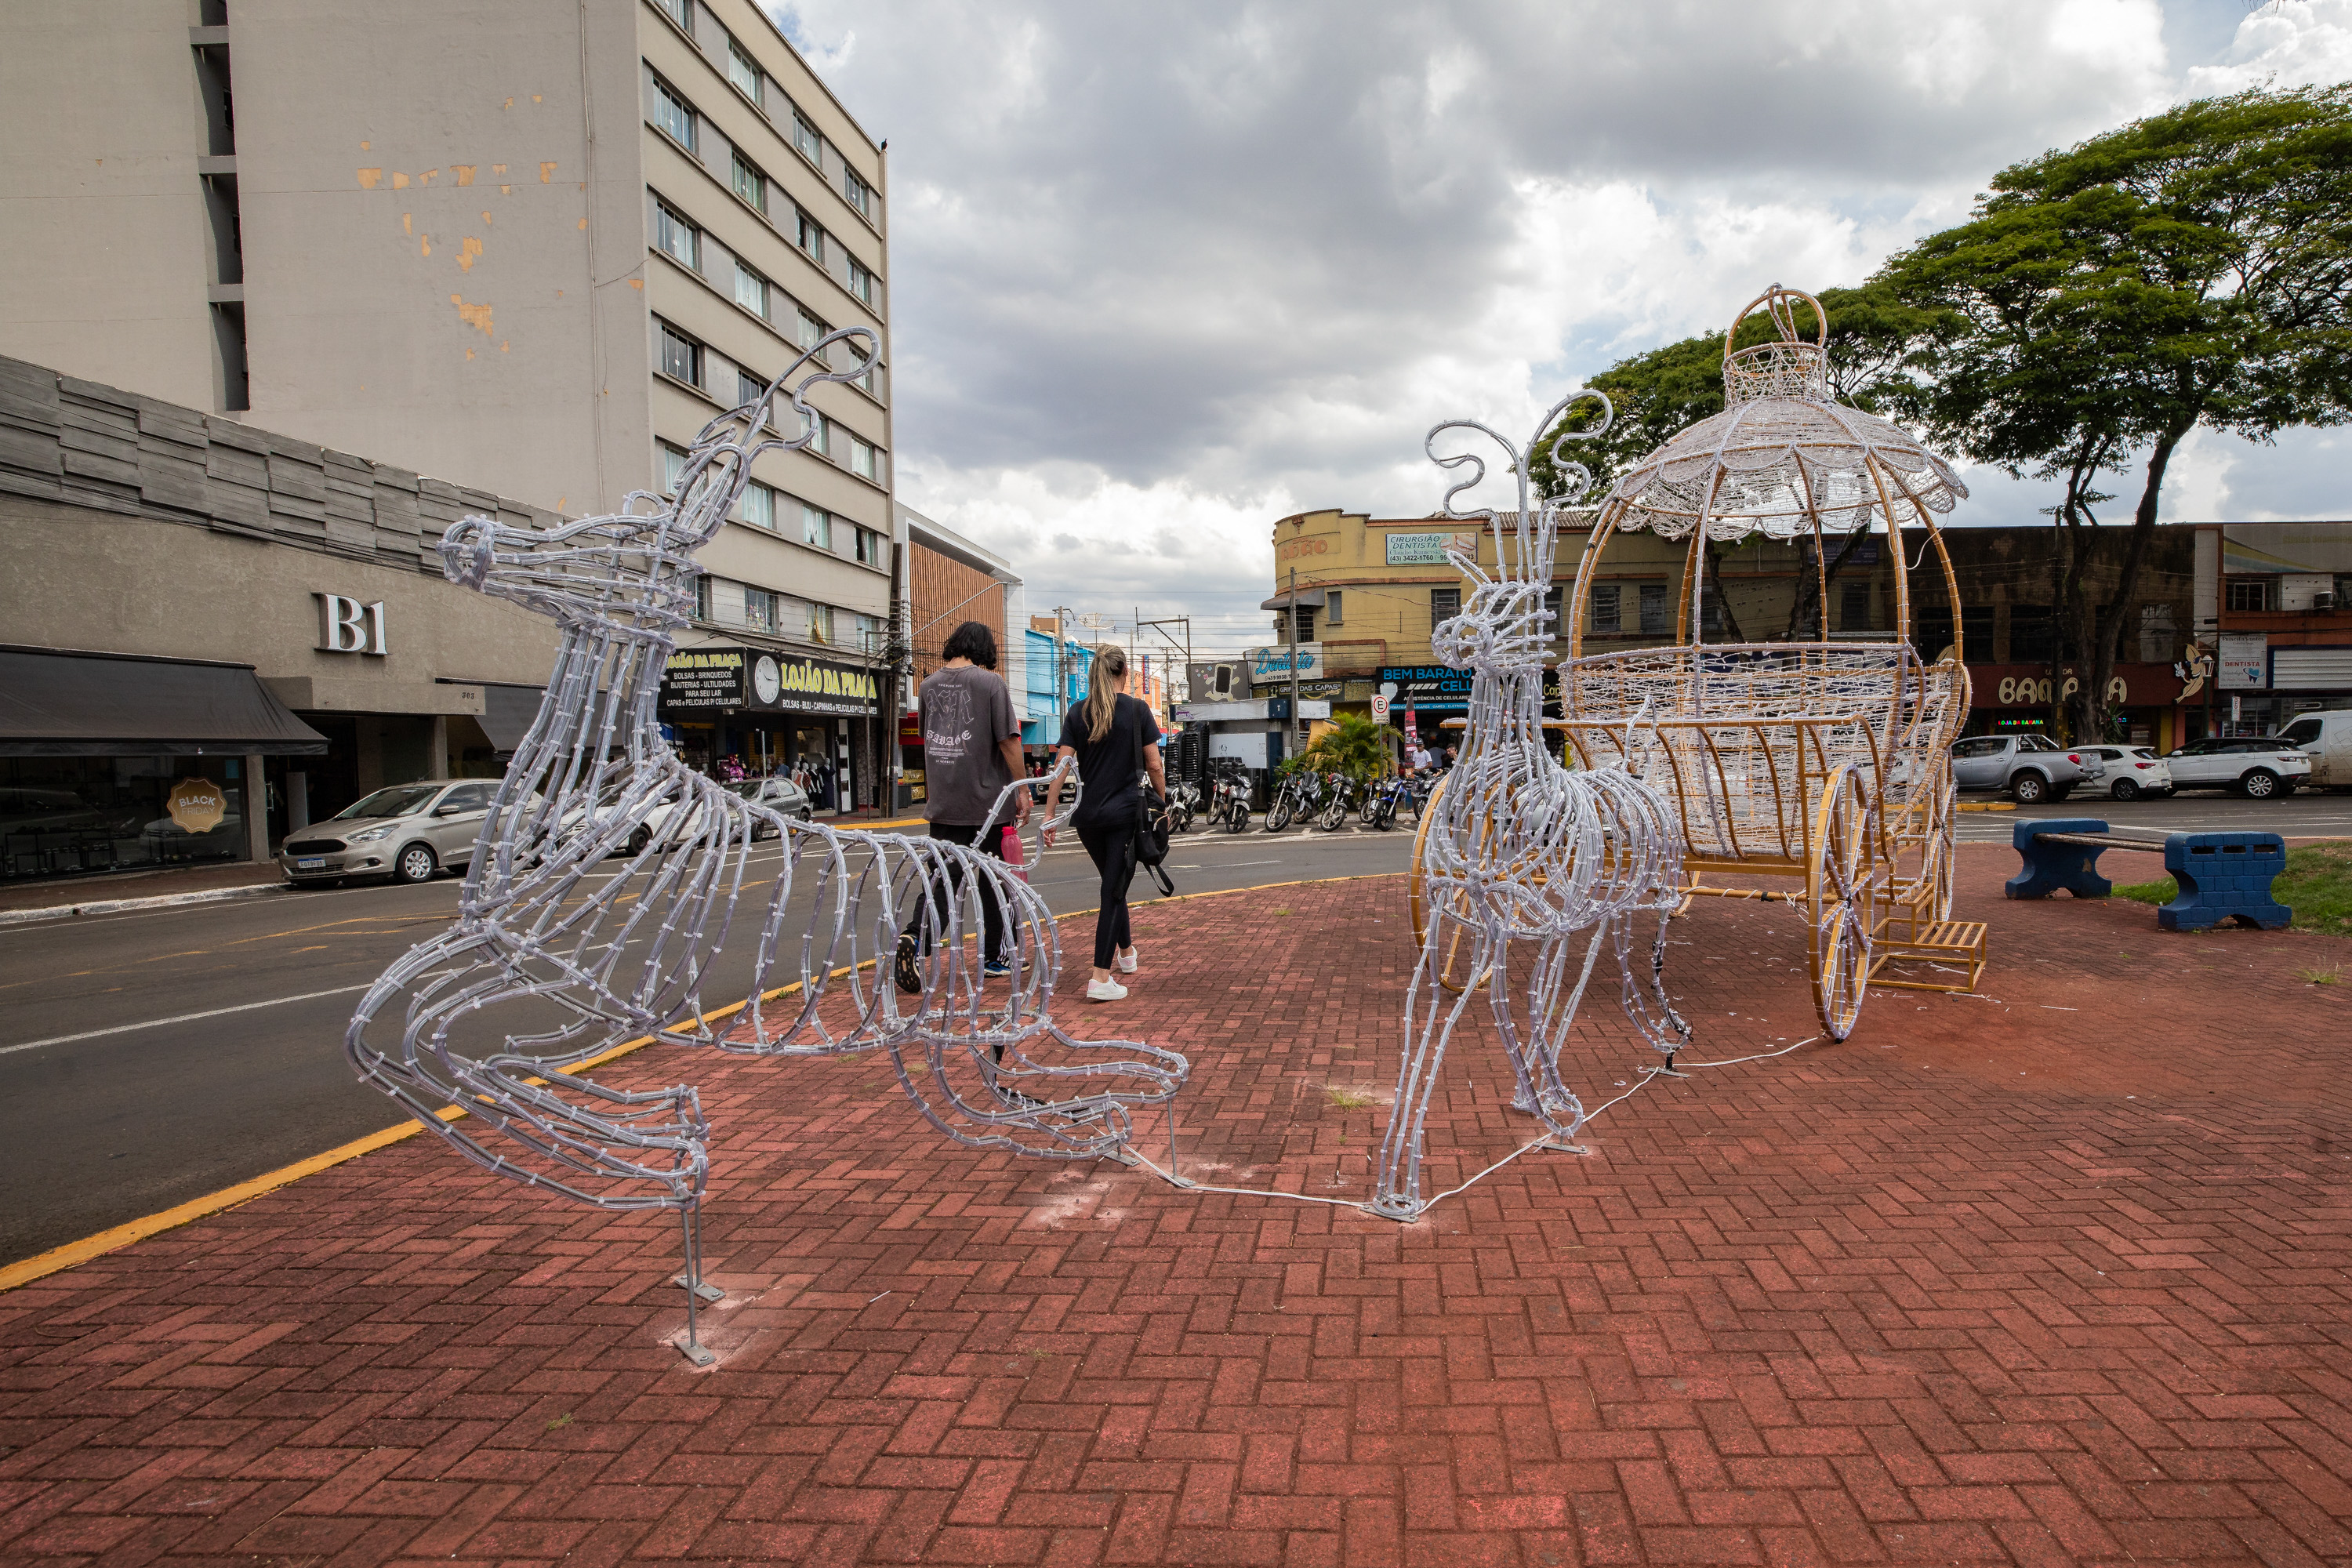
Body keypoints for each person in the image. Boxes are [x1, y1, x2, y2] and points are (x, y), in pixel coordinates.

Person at [898, 620, 1027, 989]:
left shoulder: (926, 686)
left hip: (943, 807)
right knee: (995, 883)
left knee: (940, 883)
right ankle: (995, 957)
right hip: (988, 807)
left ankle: (915, 937)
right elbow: (1008, 741)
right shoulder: (991, 684)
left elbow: (928, 736)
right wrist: (1021, 789)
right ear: (985, 650)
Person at [1042, 645, 1162, 1002]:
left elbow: (1061, 768)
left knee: (1114, 883)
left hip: (1087, 819)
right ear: (1124, 672)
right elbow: (1154, 765)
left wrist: (1049, 815)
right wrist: (1164, 802)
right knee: (1113, 890)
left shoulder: (1078, 712)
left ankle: (1127, 954)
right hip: (1124, 816)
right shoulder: (1137, 710)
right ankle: (1099, 978)